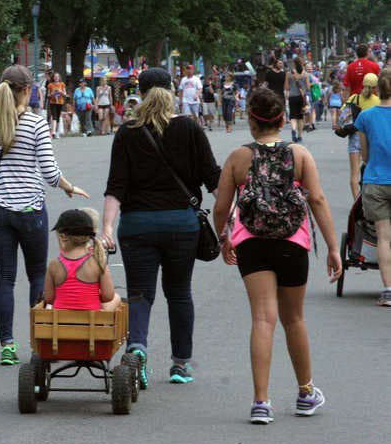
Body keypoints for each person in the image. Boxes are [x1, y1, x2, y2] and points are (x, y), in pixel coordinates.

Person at [213, 87, 342, 425]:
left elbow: (222, 207)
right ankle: (305, 392)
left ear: (251, 122)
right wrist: (332, 246)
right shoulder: (299, 155)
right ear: (283, 119)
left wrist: (224, 236)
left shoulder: (238, 158)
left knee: (262, 319)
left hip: (252, 243)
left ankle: (260, 402)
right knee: (294, 319)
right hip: (292, 242)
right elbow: (317, 200)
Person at [102, 67, 221, 389]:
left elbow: (116, 187)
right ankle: (180, 364)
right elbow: (214, 180)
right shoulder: (190, 130)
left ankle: (137, 350)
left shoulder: (127, 132)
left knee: (140, 295)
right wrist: (230, 221)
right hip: (182, 225)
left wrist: (107, 229)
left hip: (137, 226)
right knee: (179, 293)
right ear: (173, 91)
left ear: (140, 94)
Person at [0, 64, 89, 365]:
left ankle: (7, 345)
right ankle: (39, 342)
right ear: (26, 91)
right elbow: (49, 173)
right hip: (31, 208)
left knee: (4, 278)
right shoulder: (35, 124)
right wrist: (69, 186)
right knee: (37, 275)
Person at [354, 69, 391, 305]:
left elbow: (364, 155)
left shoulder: (365, 117)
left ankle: (388, 290)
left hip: (376, 181)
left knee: (384, 238)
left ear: (377, 90)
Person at [44, 209, 121, 312]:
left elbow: (49, 298)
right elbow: (108, 296)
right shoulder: (98, 262)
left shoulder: (54, 265)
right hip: (91, 324)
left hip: (60, 323)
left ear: (63, 236)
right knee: (117, 298)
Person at [344, 73, 380, 199]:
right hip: (370, 137)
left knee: (354, 173)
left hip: (354, 136)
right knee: (370, 168)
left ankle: (355, 200)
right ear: (376, 87)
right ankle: (368, 197)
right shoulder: (378, 101)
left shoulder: (354, 98)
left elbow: (343, 114)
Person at [284, 57, 310, 143]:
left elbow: (287, 87)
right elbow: (308, 88)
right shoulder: (305, 74)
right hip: (301, 98)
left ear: (293, 64)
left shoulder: (288, 74)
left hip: (292, 97)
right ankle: (300, 136)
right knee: (300, 117)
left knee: (293, 117)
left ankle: (293, 130)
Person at [46, 73, 66, 139]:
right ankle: (53, 132)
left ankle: (57, 132)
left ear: (59, 77)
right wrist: (52, 93)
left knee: (57, 117)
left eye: (57, 76)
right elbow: (48, 95)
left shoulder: (62, 84)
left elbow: (65, 94)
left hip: (60, 102)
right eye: (55, 77)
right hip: (53, 102)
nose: (56, 78)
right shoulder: (50, 85)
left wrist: (61, 92)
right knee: (54, 116)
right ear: (53, 78)